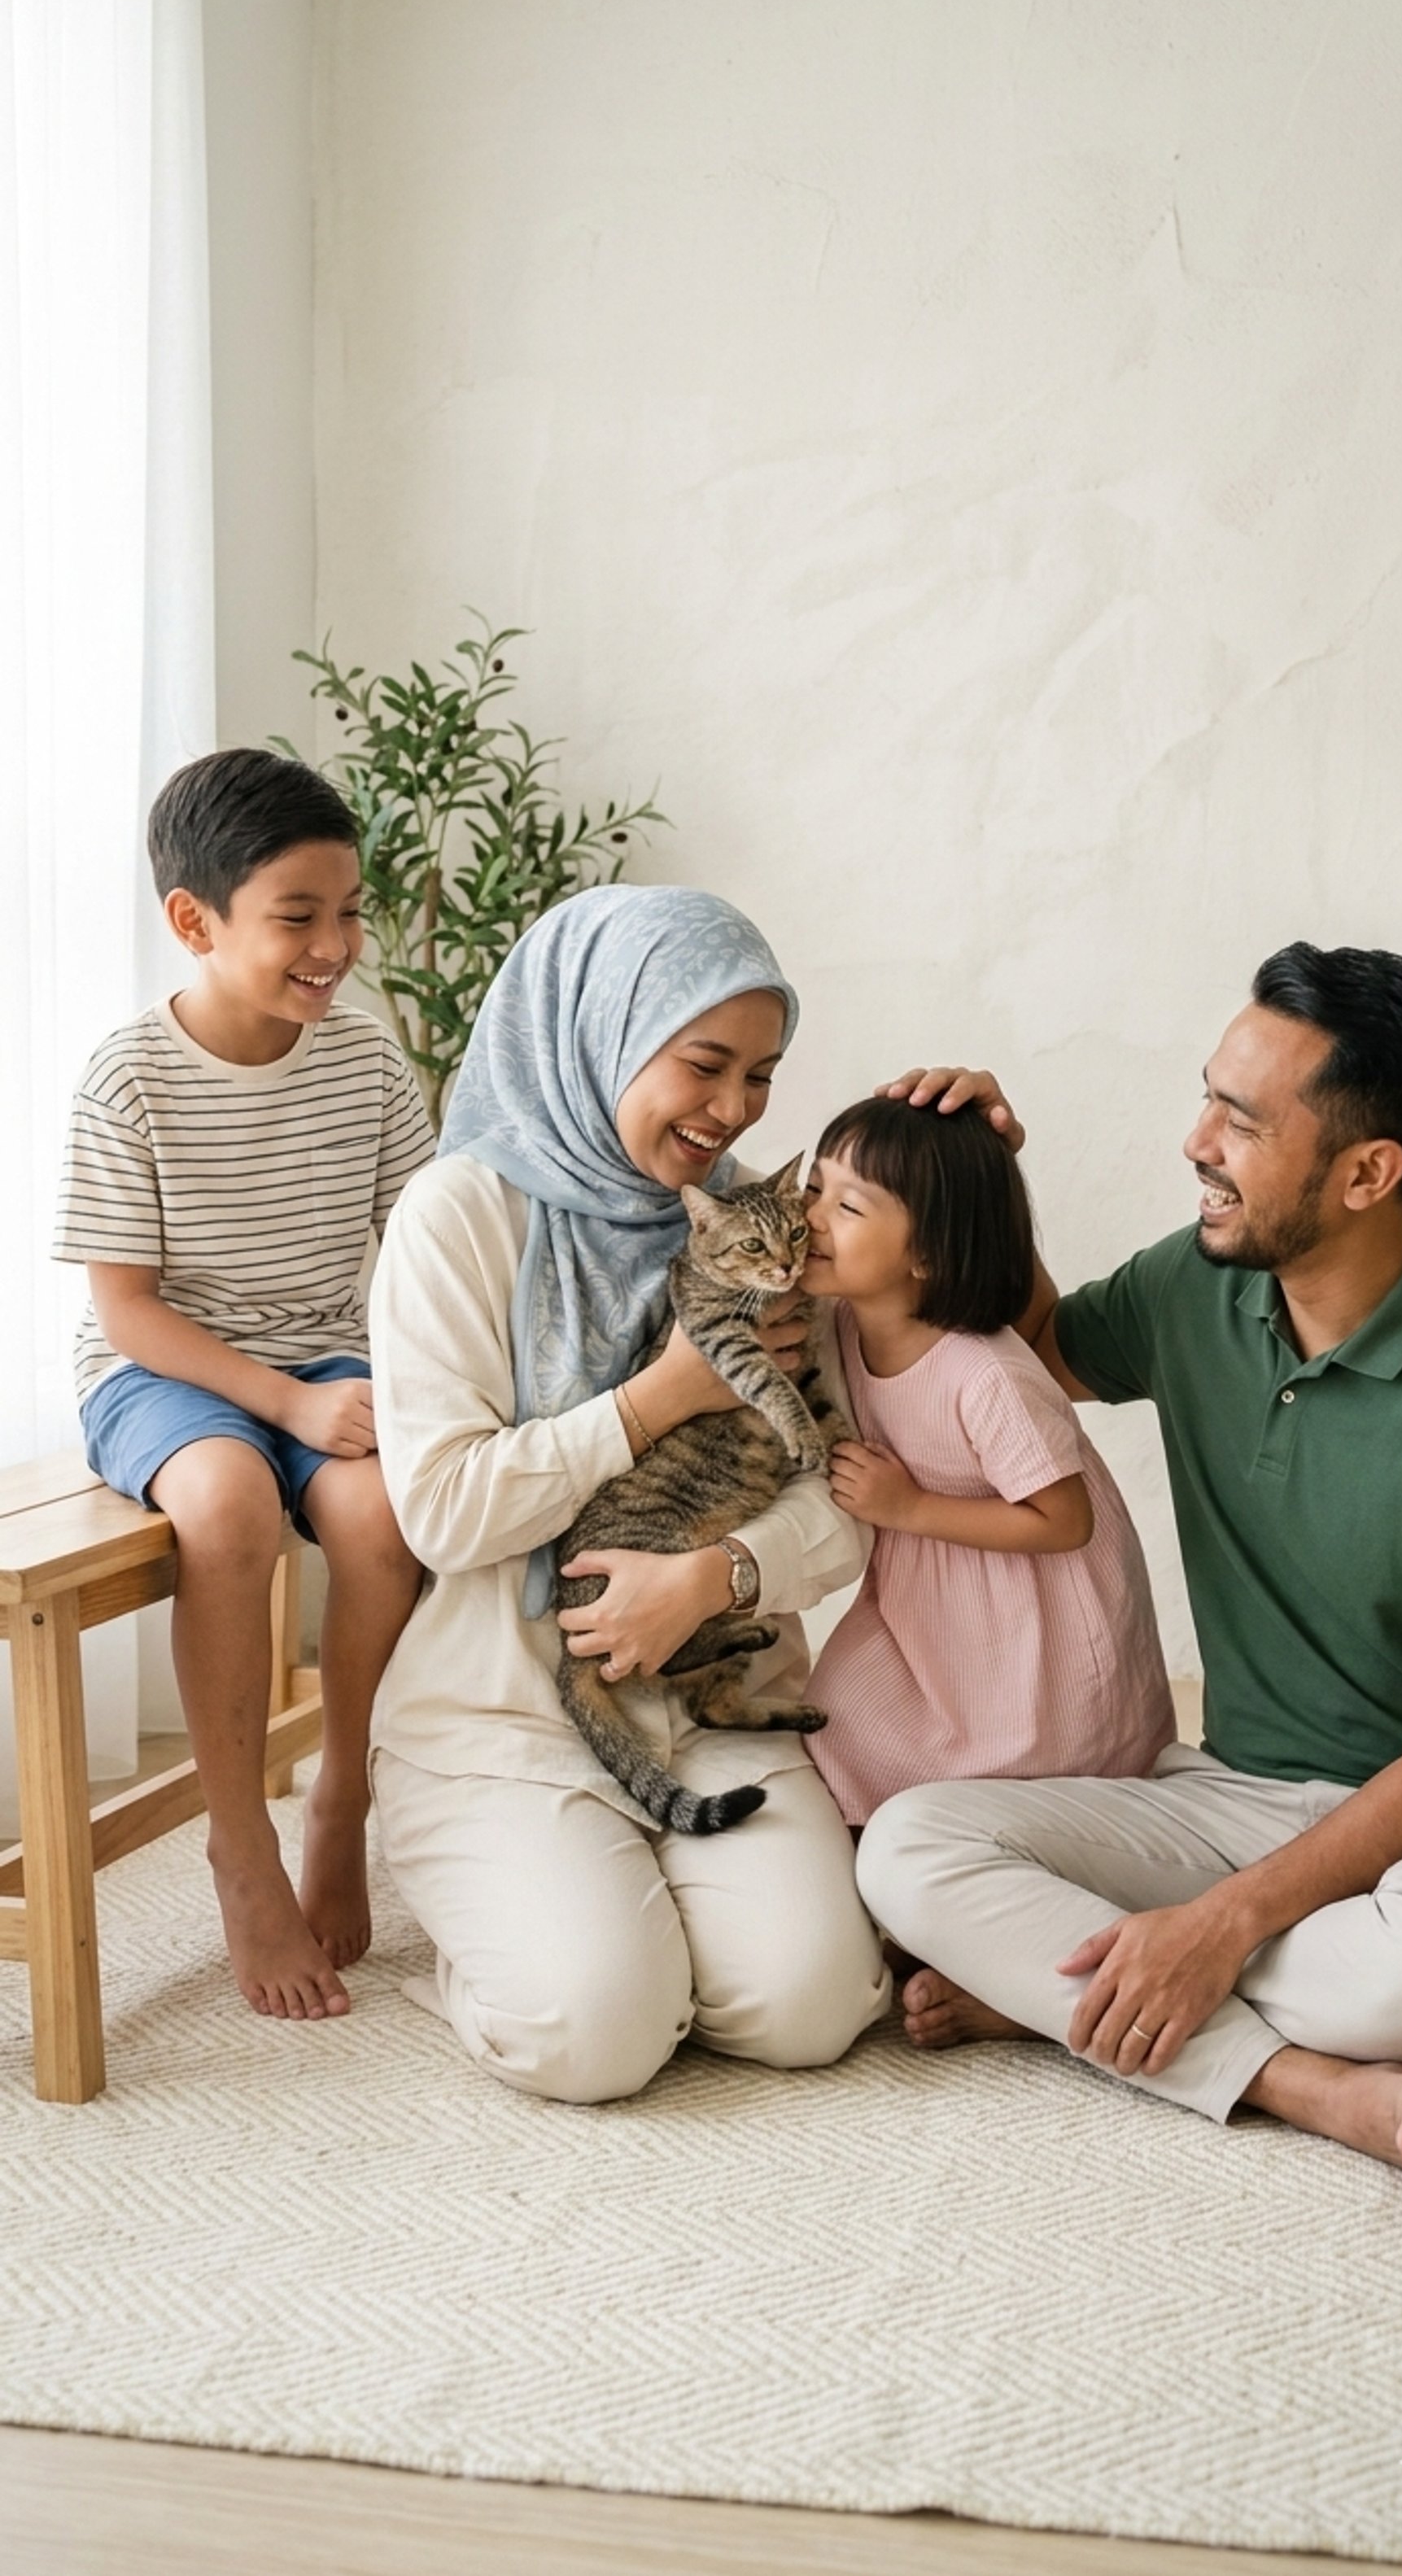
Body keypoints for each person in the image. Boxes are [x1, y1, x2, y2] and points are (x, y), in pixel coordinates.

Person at [858, 946, 1402, 2211]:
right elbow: (1043, 1343)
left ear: (1367, 1172)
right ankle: (1303, 2081)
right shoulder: (1202, 1283)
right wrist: (991, 1178)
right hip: (1221, 1794)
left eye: (1241, 1121)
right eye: (1208, 1100)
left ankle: (1064, 1990)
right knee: (910, 1847)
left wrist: (1225, 1924)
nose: (1198, 1142)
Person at [366, 884, 893, 2104]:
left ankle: (624, 1900)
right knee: (595, 2034)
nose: (734, 1111)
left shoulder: (765, 1221)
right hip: (503, 1714)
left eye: (763, 1075)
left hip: (713, 1693)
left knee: (809, 2006)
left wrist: (714, 1579)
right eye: (706, 1064)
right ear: (599, 1028)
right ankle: (514, 1924)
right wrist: (659, 1399)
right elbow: (441, 1512)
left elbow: (845, 1491)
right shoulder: (459, 1216)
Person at [54, 750, 431, 2023]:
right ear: (194, 920)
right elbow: (127, 1308)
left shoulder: (369, 1065)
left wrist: (383, 1389)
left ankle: (342, 1791)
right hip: (166, 1368)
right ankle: (239, 1845)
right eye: (299, 918)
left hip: (329, 1349)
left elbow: (426, 1255)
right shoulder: (130, 1076)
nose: (337, 945)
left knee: (385, 1517)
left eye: (349, 913)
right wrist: (284, 1404)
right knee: (229, 1510)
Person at [799, 1094, 1173, 1826]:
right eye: (815, 1188)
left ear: (928, 1252)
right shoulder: (837, 1323)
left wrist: (908, 1509)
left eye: (849, 1207)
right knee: (835, 1720)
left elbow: (1064, 1521)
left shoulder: (986, 1375)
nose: (812, 1217)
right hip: (921, 1597)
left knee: (1018, 1772)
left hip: (1030, 1605)